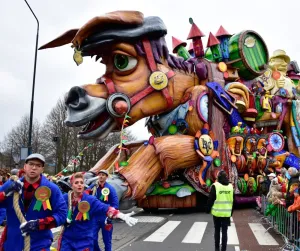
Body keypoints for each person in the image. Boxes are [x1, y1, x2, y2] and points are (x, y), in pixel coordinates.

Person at [0, 153, 67, 251]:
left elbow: (62, 214)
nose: (34, 168)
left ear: (42, 169)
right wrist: (5, 193)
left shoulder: (52, 189)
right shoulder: (11, 185)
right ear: (25, 166)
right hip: (12, 243)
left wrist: (38, 224)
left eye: (38, 165)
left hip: (39, 244)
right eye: (31, 164)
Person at [59, 172, 138, 251]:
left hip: (85, 237)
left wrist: (121, 215)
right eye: (76, 183)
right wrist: (63, 219)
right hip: (67, 239)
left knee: (107, 240)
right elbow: (56, 210)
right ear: (71, 185)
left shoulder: (91, 198)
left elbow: (106, 207)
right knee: (94, 239)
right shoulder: (65, 198)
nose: (79, 184)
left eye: (81, 182)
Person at [87, 170, 119, 251]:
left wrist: (110, 216)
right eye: (99, 175)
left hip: (106, 217)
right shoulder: (93, 186)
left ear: (106, 177)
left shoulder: (110, 188)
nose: (101, 176)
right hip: (94, 217)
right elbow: (85, 195)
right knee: (92, 238)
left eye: (103, 175)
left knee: (107, 240)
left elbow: (115, 203)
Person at [206, 170, 234, 251]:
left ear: (218, 177)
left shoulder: (215, 186)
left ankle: (217, 248)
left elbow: (210, 199)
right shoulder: (230, 187)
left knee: (217, 230)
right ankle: (224, 249)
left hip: (217, 213)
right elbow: (233, 201)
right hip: (226, 214)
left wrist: (208, 209)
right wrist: (231, 212)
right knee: (225, 231)